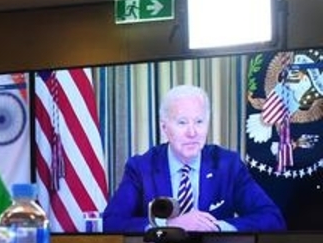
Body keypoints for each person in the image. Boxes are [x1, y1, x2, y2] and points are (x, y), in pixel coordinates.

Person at [102, 84, 286, 233]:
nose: (192, 132)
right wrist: (168, 226)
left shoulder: (228, 165)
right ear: (164, 127)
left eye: (199, 122)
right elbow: (111, 222)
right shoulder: (141, 168)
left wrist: (216, 227)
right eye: (182, 122)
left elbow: (272, 218)